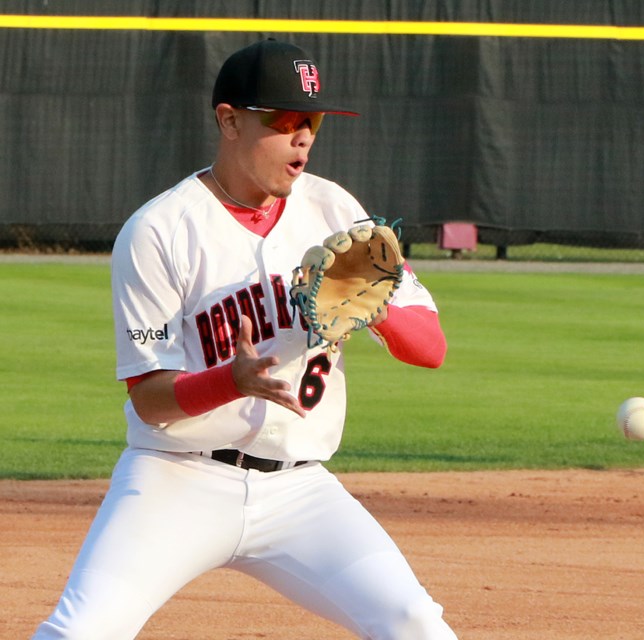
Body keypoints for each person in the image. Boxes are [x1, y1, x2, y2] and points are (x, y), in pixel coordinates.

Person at [34, 39, 458, 639]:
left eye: (310, 122)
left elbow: (432, 348)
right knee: (82, 631)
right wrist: (229, 382)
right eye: (282, 122)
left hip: (299, 490)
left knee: (414, 622)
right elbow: (150, 401)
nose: (303, 137)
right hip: (176, 478)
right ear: (229, 120)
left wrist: (374, 308)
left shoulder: (336, 209)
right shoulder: (158, 231)